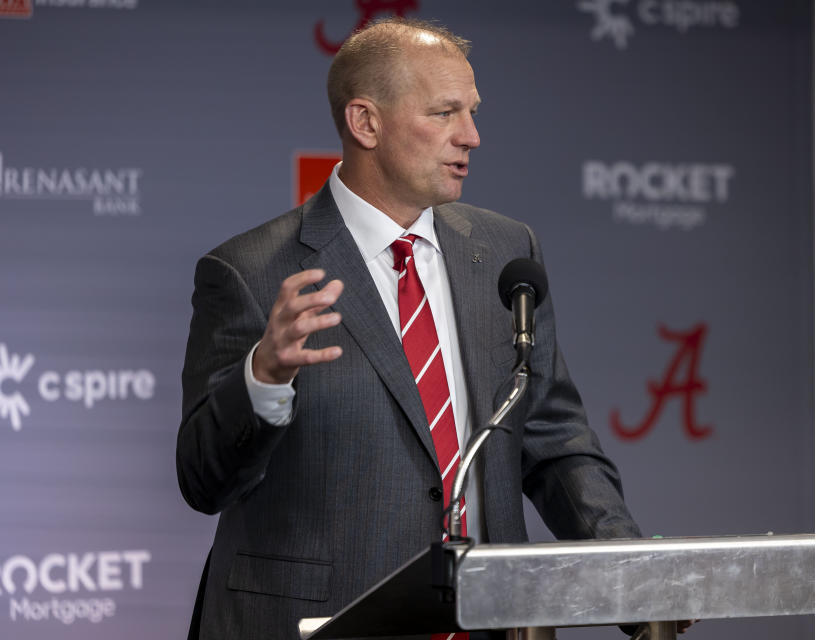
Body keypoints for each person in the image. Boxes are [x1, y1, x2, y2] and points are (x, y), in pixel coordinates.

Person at [176, 17, 645, 640]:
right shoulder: (249, 272)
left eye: (472, 112)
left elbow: (553, 438)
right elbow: (204, 480)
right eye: (445, 113)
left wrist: (632, 573)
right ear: (366, 123)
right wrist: (263, 378)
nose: (472, 136)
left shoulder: (506, 252)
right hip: (313, 622)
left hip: (493, 623)